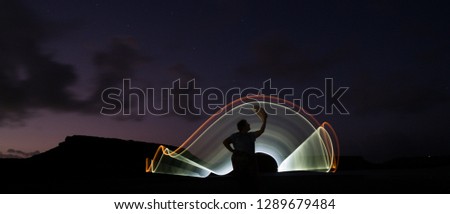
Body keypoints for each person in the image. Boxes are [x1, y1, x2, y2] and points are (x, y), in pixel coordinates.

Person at [223, 106, 268, 176]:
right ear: (243, 127)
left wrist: (265, 119)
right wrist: (233, 151)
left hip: (242, 160)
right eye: (247, 124)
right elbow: (225, 142)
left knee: (244, 178)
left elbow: (225, 142)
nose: (249, 124)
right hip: (244, 161)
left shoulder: (246, 135)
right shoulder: (245, 136)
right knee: (248, 177)